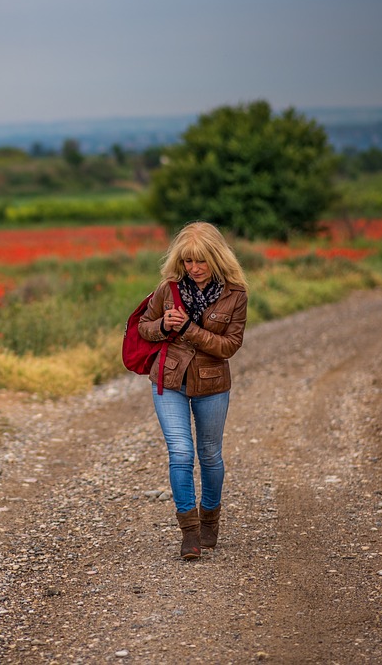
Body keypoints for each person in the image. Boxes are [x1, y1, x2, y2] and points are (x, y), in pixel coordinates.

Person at [138, 221, 248, 560]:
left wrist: (189, 328)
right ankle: (189, 533)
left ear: (216, 258)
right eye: (187, 261)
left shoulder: (235, 294)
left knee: (210, 454)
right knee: (180, 453)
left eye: (201, 261)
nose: (194, 269)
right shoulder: (167, 289)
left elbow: (229, 346)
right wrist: (161, 326)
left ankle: (210, 518)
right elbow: (143, 328)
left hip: (213, 383)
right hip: (168, 380)